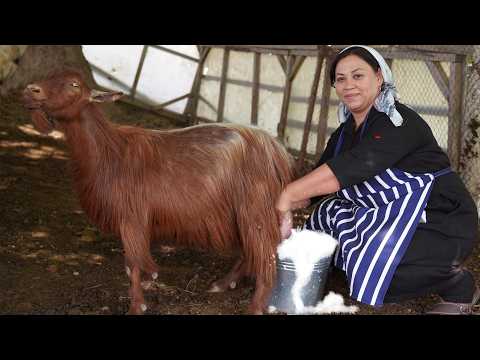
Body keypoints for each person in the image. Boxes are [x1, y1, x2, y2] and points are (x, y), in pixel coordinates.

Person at [276, 45, 479, 314]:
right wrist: (277, 211)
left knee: (384, 265)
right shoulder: (346, 132)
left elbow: (360, 164)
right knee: (327, 216)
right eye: (341, 79)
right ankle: (346, 274)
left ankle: (458, 287)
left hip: (440, 218)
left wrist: (287, 195)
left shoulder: (398, 121)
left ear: (379, 77)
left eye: (358, 76)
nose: (349, 85)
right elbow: (316, 187)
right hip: (392, 213)